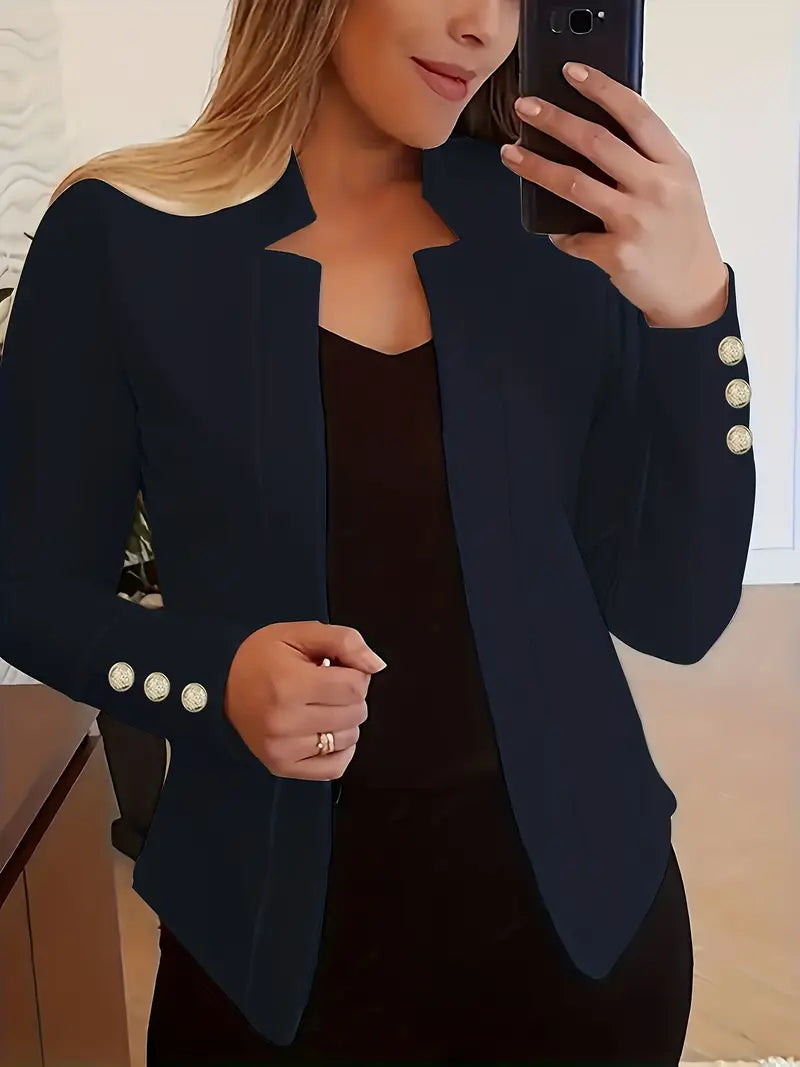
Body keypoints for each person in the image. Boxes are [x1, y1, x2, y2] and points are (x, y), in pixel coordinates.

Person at [0, 0, 756, 1063]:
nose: (484, 27)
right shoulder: (120, 235)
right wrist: (213, 678)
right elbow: (26, 587)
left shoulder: (559, 231)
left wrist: (694, 314)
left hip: (585, 942)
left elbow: (674, 613)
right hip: (266, 954)